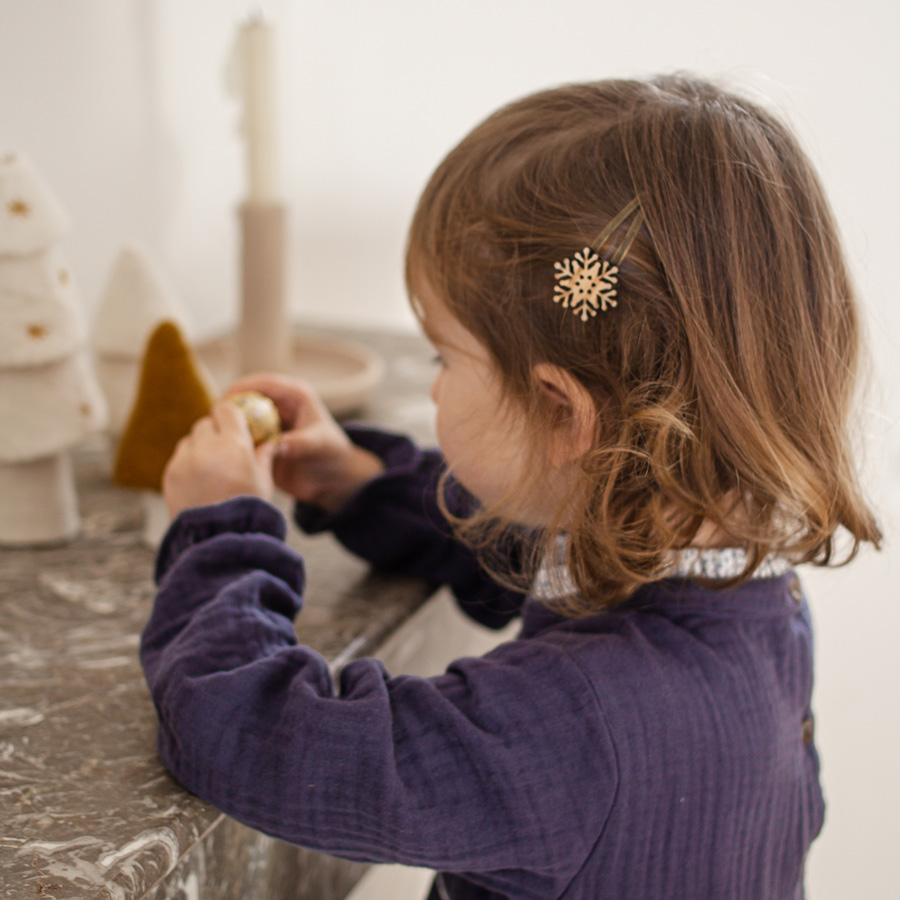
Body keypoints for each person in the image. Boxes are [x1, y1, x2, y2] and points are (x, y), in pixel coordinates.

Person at [141, 74, 882, 899]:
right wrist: (362, 483)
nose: (429, 390)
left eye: (442, 358)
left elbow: (254, 736)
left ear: (564, 411)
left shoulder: (569, 729)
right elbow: (550, 540)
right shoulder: (754, 602)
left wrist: (220, 530)